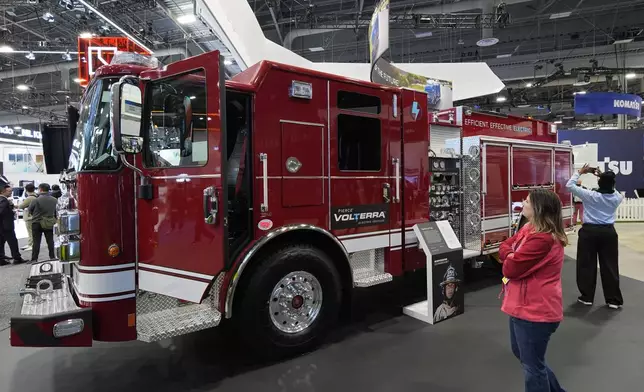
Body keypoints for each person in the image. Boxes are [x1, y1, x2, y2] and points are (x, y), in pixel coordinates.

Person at [499, 189, 567, 392]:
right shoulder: (530, 228)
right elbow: (505, 246)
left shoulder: (542, 239)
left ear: (537, 208)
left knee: (532, 366)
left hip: (535, 311)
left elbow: (510, 268)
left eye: (527, 201)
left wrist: (509, 256)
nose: (523, 202)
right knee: (528, 358)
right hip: (523, 307)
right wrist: (510, 254)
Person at [566, 164, 624, 309]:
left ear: (599, 182)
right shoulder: (617, 197)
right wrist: (603, 177)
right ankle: (613, 300)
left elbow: (570, 185)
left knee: (586, 264)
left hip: (589, 233)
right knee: (610, 266)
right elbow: (612, 187)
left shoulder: (590, 195)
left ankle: (587, 297)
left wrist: (580, 172)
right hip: (609, 233)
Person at [28, 183, 57, 263]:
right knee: (50, 240)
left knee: (36, 241)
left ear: (40, 189)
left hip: (37, 222)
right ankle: (52, 257)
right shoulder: (54, 200)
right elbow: (56, 212)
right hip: (49, 222)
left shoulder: (36, 200)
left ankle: (34, 259)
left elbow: (30, 210)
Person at [0, 182, 26, 265]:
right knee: (13, 242)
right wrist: (11, 213)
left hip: (2, 226)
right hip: (6, 226)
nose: (11, 193)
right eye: (9, 191)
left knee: (1, 242)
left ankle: (1, 259)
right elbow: (1, 211)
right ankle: (17, 258)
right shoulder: (3, 200)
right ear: (3, 192)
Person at [19, 183, 37, 252]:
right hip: (32, 216)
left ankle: (31, 245)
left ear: (26, 190)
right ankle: (30, 244)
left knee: (30, 232)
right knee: (31, 231)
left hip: (29, 217)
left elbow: (21, 206)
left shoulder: (30, 198)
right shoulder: (35, 196)